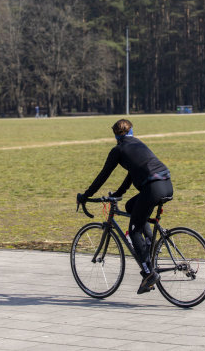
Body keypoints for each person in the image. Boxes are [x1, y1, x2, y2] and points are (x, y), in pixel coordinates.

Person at [77, 119, 172, 294]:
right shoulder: (138, 144)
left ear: (115, 136)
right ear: (131, 132)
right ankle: (150, 243)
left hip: (152, 188)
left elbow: (103, 176)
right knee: (130, 206)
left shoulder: (118, 150)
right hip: (166, 184)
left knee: (134, 230)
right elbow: (132, 173)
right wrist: (119, 193)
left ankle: (148, 272)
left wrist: (86, 195)